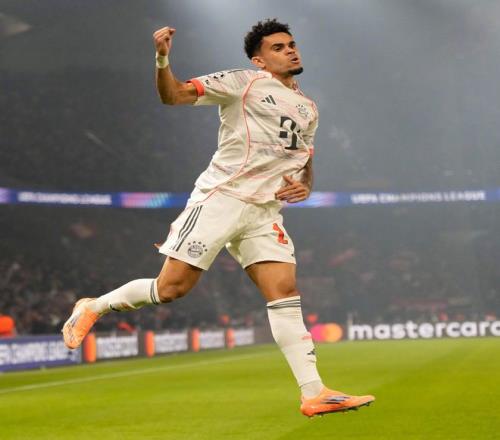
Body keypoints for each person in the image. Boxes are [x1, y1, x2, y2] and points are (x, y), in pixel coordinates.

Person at [62, 18, 375, 417]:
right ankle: (94, 306)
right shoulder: (242, 82)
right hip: (221, 199)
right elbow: (173, 95)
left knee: (284, 292)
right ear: (259, 61)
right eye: (278, 47)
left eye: (292, 44)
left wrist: (306, 186)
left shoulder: (308, 108)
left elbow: (304, 157)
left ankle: (313, 393)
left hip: (264, 211)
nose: (291, 50)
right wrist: (162, 59)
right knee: (171, 288)